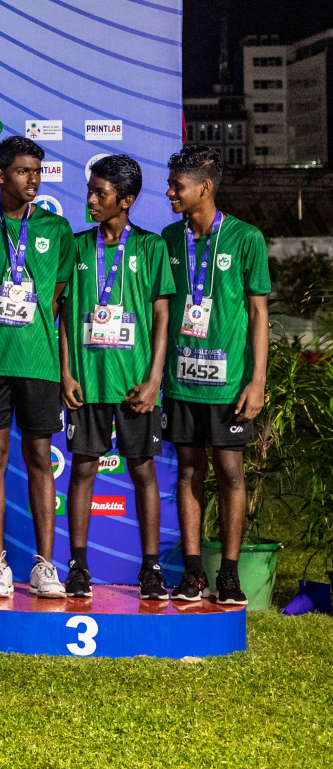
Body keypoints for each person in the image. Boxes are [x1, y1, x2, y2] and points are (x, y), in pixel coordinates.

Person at [0, 135, 74, 598]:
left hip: (39, 364)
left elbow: (57, 302)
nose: (32, 179)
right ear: (0, 174)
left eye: (37, 171)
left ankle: (45, 566)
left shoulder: (56, 229)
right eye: (23, 171)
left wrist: (65, 371)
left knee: (40, 461)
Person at [58, 155, 173, 602]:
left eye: (100, 193)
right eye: (89, 190)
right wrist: (66, 372)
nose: (90, 199)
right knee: (83, 469)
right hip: (88, 382)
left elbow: (162, 315)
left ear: (125, 200)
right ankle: (79, 566)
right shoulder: (78, 245)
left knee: (143, 470)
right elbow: (65, 315)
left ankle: (150, 569)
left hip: (134, 384)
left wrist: (154, 379)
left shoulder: (150, 247)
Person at [162, 144, 269, 606]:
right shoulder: (167, 239)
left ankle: (228, 573)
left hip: (229, 385)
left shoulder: (247, 238)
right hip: (181, 380)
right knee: (187, 472)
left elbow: (259, 313)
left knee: (229, 471)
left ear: (204, 187)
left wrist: (257, 380)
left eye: (177, 186)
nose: (170, 193)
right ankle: (191, 574)